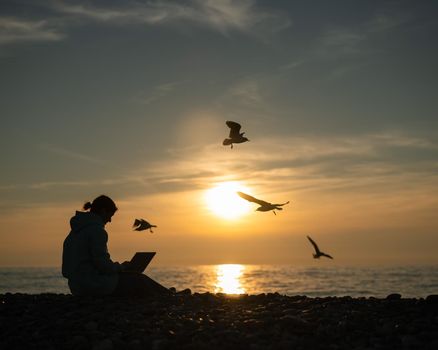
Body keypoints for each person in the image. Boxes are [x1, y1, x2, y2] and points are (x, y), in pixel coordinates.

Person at [62, 195, 170, 297]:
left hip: (76, 288)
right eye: (110, 215)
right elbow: (103, 265)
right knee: (138, 279)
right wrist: (121, 268)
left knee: (134, 280)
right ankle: (170, 295)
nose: (110, 220)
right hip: (94, 286)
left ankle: (167, 293)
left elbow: (67, 269)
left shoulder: (75, 231)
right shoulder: (96, 231)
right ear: (103, 211)